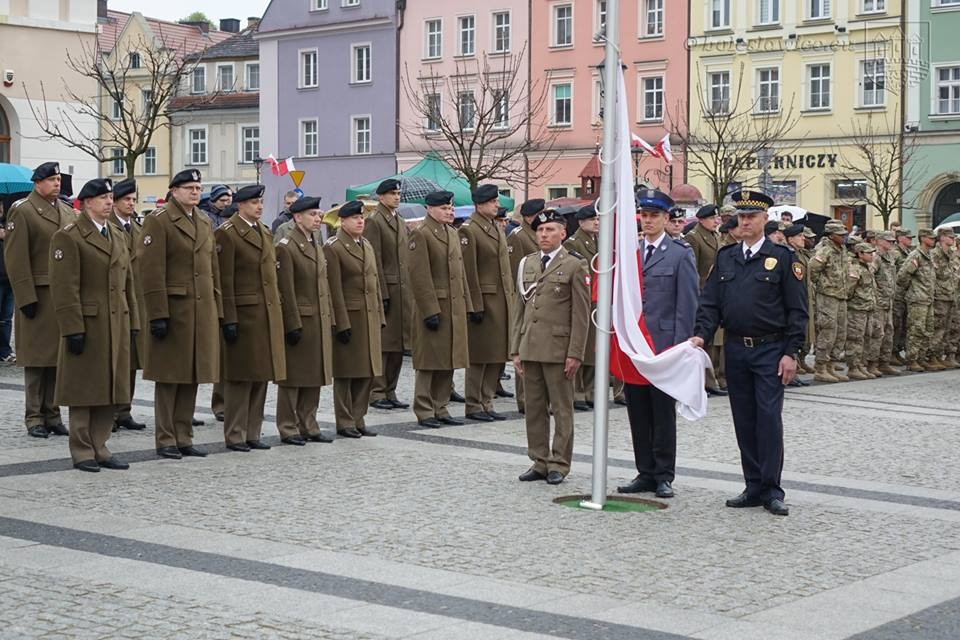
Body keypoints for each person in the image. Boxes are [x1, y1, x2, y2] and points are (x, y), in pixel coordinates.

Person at [691, 190, 807, 516]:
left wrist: (792, 353)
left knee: (768, 419)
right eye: (741, 216)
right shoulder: (726, 257)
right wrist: (701, 335)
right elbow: (710, 303)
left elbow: (798, 311)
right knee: (744, 419)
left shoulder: (783, 259)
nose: (745, 222)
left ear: (764, 219)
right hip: (736, 348)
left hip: (770, 349)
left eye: (751, 217)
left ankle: (772, 489)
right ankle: (753, 485)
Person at [50, 178, 139, 472]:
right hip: (88, 323)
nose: (109, 202)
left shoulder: (116, 233)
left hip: (116, 321)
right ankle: (82, 449)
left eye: (110, 197)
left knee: (109, 386)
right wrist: (72, 327)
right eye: (102, 197)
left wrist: (133, 321)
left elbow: (128, 284)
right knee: (85, 388)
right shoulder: (70, 236)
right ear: (86, 202)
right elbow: (65, 287)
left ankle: (100, 446)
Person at [617, 189, 698, 499]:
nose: (647, 220)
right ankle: (645, 471)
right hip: (635, 346)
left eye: (654, 216)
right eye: (644, 215)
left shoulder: (680, 254)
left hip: (664, 346)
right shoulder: (631, 252)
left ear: (667, 218)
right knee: (638, 411)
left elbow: (686, 304)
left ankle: (664, 474)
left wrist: (680, 349)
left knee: (663, 412)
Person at [138, 169, 222, 459]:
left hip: (201, 310)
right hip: (175, 310)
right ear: (174, 191)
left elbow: (213, 269)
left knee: (193, 375)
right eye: (189, 188)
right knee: (170, 377)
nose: (195, 192)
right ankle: (165, 438)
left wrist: (217, 308)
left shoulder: (203, 220)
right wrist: (157, 313)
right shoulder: (159, 221)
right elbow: (151, 270)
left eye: (198, 188)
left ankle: (184, 435)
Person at [511, 209, 589, 485]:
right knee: (534, 407)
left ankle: (559, 462)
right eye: (540, 231)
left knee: (561, 408)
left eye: (550, 230)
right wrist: (515, 349)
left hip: (558, 349)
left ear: (562, 233)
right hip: (531, 346)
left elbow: (580, 315)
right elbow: (519, 309)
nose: (544, 235)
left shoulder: (574, 265)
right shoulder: (528, 263)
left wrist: (575, 352)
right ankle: (539, 460)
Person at [4, 162, 76, 438]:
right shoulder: (23, 210)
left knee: (57, 357)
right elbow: (16, 257)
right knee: (36, 359)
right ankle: (35, 416)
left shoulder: (67, 211)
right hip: (37, 293)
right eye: (52, 179)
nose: (57, 183)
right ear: (38, 182)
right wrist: (25, 297)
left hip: (61, 294)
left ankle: (53, 413)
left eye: (59, 179)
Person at [215, 185, 285, 452]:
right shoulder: (228, 234)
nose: (259, 206)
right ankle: (235, 433)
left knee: (260, 376)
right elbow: (225, 280)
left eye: (261, 202)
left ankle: (252, 431)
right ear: (240, 205)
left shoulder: (264, 232)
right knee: (240, 378)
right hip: (243, 316)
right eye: (254, 202)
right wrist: (229, 318)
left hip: (265, 313)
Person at [408, 191, 473, 428]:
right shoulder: (421, 235)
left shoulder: (452, 233)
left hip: (454, 305)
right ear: (430, 209)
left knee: (448, 360)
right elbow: (419, 275)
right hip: (434, 307)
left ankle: (441, 407)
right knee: (429, 361)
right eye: (444, 208)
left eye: (451, 208)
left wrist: (467, 303)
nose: (450, 212)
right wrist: (429, 310)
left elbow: (460, 273)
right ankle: (425, 409)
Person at [275, 197, 335, 444]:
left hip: (318, 317)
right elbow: (286, 289)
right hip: (300, 318)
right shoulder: (287, 246)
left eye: (319, 214)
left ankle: (308, 423)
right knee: (294, 377)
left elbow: (324, 284)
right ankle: (288, 426)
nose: (318, 219)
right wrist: (292, 322)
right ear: (297, 217)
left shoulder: (315, 243)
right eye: (312, 214)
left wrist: (330, 315)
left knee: (314, 374)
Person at [325, 200, 384, 437]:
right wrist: (341, 322)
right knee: (347, 372)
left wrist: (379, 313)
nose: (361, 221)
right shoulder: (334, 246)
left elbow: (374, 282)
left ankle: (359, 417)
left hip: (369, 316)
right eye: (355, 218)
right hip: (349, 316)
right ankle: (344, 421)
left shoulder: (366, 244)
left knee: (367, 371)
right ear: (343, 221)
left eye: (362, 218)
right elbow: (334, 288)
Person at [459, 184, 514, 422]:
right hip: (484, 300)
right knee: (480, 355)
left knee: (497, 354)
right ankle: (474, 404)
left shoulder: (494, 227)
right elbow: (468, 271)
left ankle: (487, 400)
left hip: (501, 299)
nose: (497, 205)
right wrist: (475, 305)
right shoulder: (470, 230)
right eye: (493, 202)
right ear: (480, 204)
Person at [364, 179, 413, 410]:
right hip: (388, 290)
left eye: (398, 193)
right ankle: (377, 391)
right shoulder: (375, 222)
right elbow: (376, 261)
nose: (396, 197)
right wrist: (382, 293)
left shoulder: (399, 220)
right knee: (385, 345)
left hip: (403, 290)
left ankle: (390, 391)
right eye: (392, 193)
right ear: (381, 197)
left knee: (398, 346)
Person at [107, 178, 147, 431]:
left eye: (134, 200)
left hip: (136, 299)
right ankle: (109, 411)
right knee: (113, 358)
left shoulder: (138, 228)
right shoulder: (108, 227)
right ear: (115, 202)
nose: (131, 204)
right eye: (127, 200)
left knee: (132, 358)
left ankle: (124, 409)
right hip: (115, 296)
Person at [684, 203, 727, 396]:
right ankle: (700, 382)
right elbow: (692, 269)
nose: (716, 221)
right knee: (702, 340)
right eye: (712, 218)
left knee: (711, 342)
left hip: (714, 293)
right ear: (702, 219)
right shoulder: (693, 238)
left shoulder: (715, 236)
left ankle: (710, 381)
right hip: (701, 293)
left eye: (716, 218)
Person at [506, 199, 542, 414]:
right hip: (525, 298)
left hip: (542, 301)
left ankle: (537, 399)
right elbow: (514, 272)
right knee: (524, 350)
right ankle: (524, 399)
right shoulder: (518, 236)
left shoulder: (541, 234)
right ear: (531, 216)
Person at [564, 203, 599, 411]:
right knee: (582, 346)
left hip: (597, 300)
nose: (596, 222)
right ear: (581, 222)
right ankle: (577, 392)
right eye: (592, 219)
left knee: (595, 348)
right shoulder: (573, 244)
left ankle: (590, 391)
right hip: (582, 299)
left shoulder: (598, 241)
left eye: (598, 219)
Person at [808, 221, 851, 383]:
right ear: (831, 236)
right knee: (827, 331)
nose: (844, 237)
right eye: (840, 235)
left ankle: (831, 366)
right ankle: (820, 368)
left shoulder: (842, 250)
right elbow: (812, 270)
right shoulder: (824, 250)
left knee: (840, 333)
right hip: (827, 296)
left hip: (841, 295)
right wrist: (823, 284)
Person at [897, 229, 937, 372]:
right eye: (931, 238)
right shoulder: (916, 255)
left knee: (927, 330)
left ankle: (921, 358)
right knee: (916, 329)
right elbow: (902, 276)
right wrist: (913, 289)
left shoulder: (929, 256)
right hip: (917, 299)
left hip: (928, 299)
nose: (933, 240)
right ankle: (912, 359)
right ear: (923, 238)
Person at [843, 243, 879, 380]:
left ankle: (861, 366)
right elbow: (849, 289)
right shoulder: (855, 268)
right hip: (857, 309)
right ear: (860, 254)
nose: (872, 255)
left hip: (868, 308)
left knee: (867, 337)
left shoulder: (868, 268)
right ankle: (853, 367)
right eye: (869, 253)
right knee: (855, 338)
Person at [784, 224, 816, 375]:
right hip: (795, 298)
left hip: (805, 297)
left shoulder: (801, 253)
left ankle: (800, 361)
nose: (803, 238)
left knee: (806, 331)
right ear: (790, 239)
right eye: (799, 236)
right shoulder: (789, 255)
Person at [872, 231, 901, 376]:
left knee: (888, 333)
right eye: (888, 241)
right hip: (878, 302)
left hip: (888, 302)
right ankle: (872, 363)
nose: (891, 243)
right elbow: (869, 278)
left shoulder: (890, 257)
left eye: (892, 241)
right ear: (879, 241)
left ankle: (884, 362)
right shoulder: (875, 257)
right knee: (878, 333)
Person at [929, 228, 958, 368]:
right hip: (939, 296)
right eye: (950, 237)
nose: (953, 239)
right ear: (942, 238)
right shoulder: (934, 254)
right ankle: (933, 356)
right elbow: (931, 276)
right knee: (937, 328)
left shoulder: (952, 254)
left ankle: (942, 355)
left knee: (947, 329)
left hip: (951, 295)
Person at [890, 229, 914, 364]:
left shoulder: (908, 252)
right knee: (896, 323)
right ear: (900, 238)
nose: (910, 239)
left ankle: (898, 350)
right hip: (897, 293)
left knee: (904, 324)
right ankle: (892, 352)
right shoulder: (895, 253)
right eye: (908, 237)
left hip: (907, 293)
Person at [0, 203, 14, 364]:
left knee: (6, 318)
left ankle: (5, 351)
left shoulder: (8, 225)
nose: (0, 209)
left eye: (2, 205)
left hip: (9, 278)